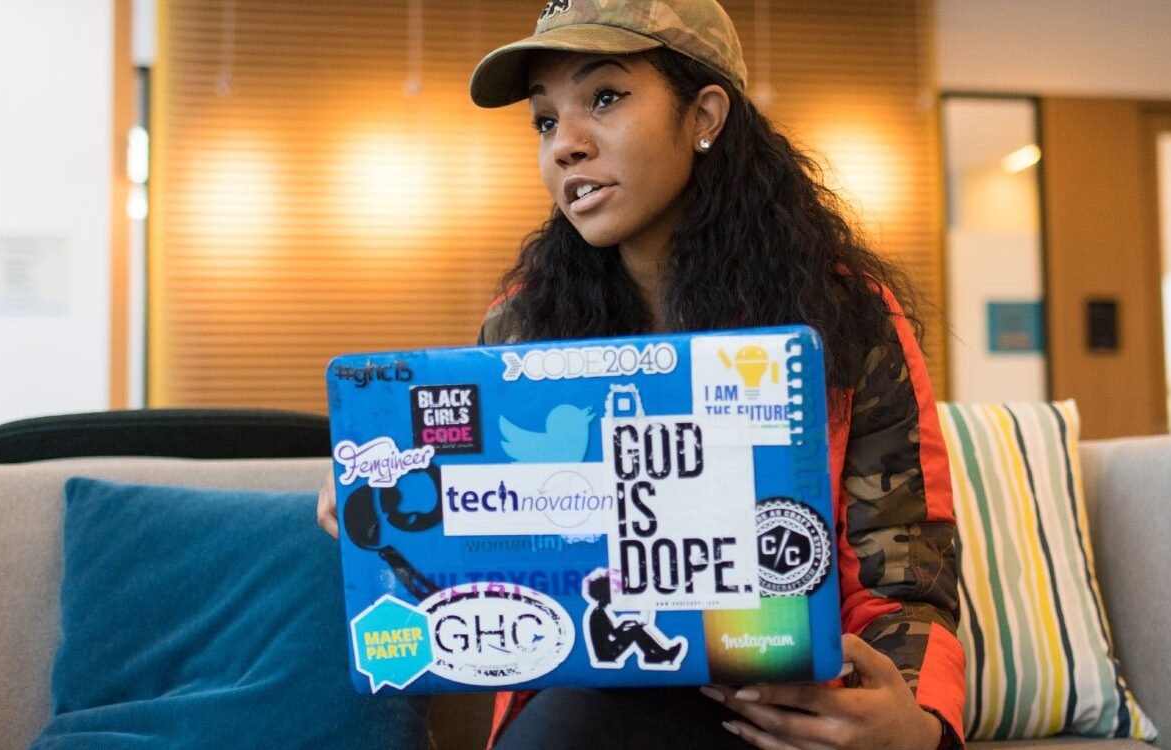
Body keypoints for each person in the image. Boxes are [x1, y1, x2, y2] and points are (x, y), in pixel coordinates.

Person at [318, 1, 965, 747]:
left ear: (704, 116)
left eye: (604, 98)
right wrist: (386, 489)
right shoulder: (521, 328)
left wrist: (914, 725)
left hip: (780, 709)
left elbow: (905, 568)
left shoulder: (845, 316)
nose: (566, 145)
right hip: (584, 704)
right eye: (545, 120)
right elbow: (482, 548)